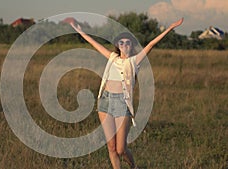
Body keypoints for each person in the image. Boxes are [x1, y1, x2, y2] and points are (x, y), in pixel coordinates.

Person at [68, 17, 183, 169]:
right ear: (117, 45)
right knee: (111, 147)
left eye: (127, 43)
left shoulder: (135, 61)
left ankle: (133, 166)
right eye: (121, 43)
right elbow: (93, 43)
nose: (124, 45)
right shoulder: (112, 57)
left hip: (123, 104)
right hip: (105, 101)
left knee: (121, 149)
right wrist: (78, 29)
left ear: (131, 45)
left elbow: (151, 44)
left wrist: (170, 28)